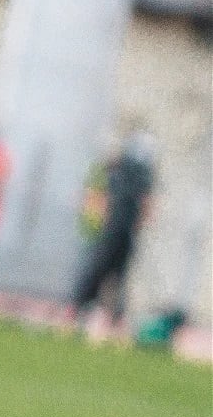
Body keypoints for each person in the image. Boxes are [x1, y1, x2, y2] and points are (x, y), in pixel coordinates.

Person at [66, 128, 155, 338]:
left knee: (111, 274)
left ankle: (103, 316)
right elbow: (144, 206)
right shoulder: (131, 172)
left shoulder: (122, 170)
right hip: (115, 231)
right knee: (104, 272)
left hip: (115, 231)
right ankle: (83, 311)